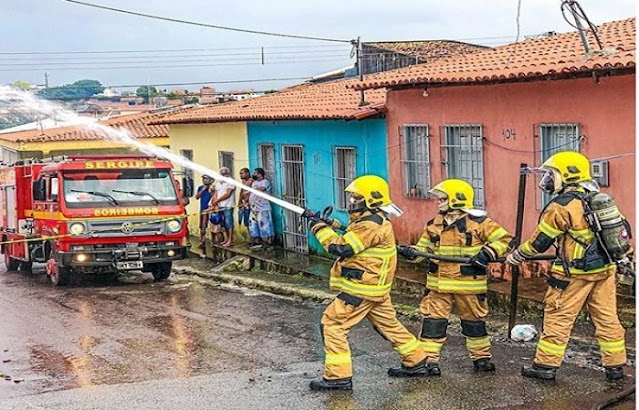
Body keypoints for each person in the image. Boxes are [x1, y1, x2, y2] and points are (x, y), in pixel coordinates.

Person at [506, 151, 629, 381]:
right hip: (604, 271)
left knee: (558, 317)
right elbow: (621, 234)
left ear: (566, 176)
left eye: (552, 174)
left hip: (573, 275)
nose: (548, 180)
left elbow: (539, 242)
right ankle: (615, 368)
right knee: (607, 318)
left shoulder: (561, 206)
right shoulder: (598, 199)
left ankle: (545, 367)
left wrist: (517, 256)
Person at [307, 175, 427, 391]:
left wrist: (318, 229)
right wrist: (331, 224)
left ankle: (337, 377)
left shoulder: (370, 225)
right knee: (388, 325)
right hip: (375, 289)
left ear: (370, 200)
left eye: (356, 197)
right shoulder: (373, 220)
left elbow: (342, 248)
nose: (352, 201)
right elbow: (355, 235)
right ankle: (416, 361)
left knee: (332, 324)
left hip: (361, 289)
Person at [397, 179, 512, 376]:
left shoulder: (479, 223)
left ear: (456, 200)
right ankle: (429, 361)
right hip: (438, 286)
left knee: (474, 323)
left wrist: (487, 254)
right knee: (433, 324)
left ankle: (481, 359)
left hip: (468, 284)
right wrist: (412, 253)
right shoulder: (434, 225)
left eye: (443, 198)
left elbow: (504, 239)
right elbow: (425, 249)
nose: (438, 202)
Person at [248, 168, 274, 250]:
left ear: (260, 174)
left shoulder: (265, 182)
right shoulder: (254, 183)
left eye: (255, 173)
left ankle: (268, 243)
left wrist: (252, 189)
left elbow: (263, 189)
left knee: (265, 225)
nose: (254, 174)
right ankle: (257, 242)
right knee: (253, 225)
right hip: (254, 208)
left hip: (263, 208)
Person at [210, 167, 236, 247]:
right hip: (220, 206)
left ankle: (230, 240)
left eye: (224, 172)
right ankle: (227, 239)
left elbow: (228, 194)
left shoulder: (231, 181)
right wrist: (214, 203)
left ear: (228, 173)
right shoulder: (218, 183)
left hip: (228, 205)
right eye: (221, 173)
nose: (223, 174)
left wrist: (217, 200)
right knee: (223, 224)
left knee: (229, 223)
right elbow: (215, 194)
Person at [195, 175, 213, 248]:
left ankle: (213, 241)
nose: (205, 180)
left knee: (213, 226)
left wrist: (210, 190)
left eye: (206, 179)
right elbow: (197, 197)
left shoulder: (213, 188)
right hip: (203, 209)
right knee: (202, 226)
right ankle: (202, 240)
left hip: (211, 209)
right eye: (204, 179)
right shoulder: (200, 188)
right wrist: (203, 189)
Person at [237, 168, 254, 238]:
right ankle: (249, 237)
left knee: (249, 221)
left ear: (247, 173)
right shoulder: (243, 181)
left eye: (242, 173)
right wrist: (239, 200)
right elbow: (242, 191)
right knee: (243, 221)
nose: (240, 175)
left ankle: (253, 238)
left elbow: (252, 192)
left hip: (248, 204)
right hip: (243, 203)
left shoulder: (251, 181)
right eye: (240, 173)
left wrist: (246, 201)